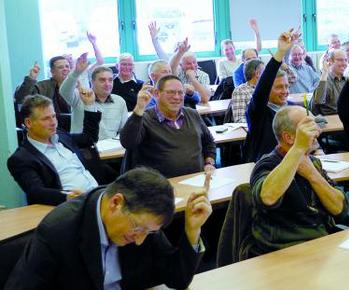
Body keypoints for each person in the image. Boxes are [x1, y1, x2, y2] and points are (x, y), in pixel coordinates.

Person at [5, 167, 212, 290]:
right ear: (116, 203)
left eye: (149, 233)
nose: (141, 240)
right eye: (138, 230)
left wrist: (192, 231)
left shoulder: (143, 222)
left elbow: (177, 278)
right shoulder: (58, 231)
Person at [244, 106, 348, 257]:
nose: (317, 131)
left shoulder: (313, 163)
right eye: (308, 127)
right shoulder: (267, 164)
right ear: (289, 137)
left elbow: (340, 209)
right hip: (285, 249)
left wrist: (312, 175)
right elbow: (266, 198)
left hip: (322, 240)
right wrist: (298, 148)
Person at [7, 95, 100, 206]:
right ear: (28, 123)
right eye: (46, 118)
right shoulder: (21, 158)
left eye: (54, 116)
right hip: (70, 206)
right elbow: (36, 192)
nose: (53, 122)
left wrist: (89, 105)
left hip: (97, 195)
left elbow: (89, 138)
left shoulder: (61, 136)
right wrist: (66, 196)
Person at [119, 75, 216, 178]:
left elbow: (209, 142)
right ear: (157, 94)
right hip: (159, 187)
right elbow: (127, 143)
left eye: (180, 92)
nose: (177, 97)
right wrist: (139, 108)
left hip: (196, 179)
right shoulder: (144, 118)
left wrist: (209, 163)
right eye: (171, 92)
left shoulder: (192, 114)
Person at [242, 28, 301, 162]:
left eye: (286, 86)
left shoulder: (293, 109)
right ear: (267, 89)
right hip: (269, 167)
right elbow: (263, 84)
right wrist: (280, 52)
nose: (285, 91)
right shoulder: (258, 112)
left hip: (296, 162)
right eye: (279, 87)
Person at [61, 54, 128, 139]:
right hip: (85, 148)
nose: (107, 84)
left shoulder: (119, 101)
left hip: (111, 149)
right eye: (102, 80)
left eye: (110, 80)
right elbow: (64, 91)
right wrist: (76, 73)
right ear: (92, 81)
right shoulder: (81, 96)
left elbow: (124, 130)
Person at [14, 56, 74, 130]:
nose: (65, 69)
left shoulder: (76, 86)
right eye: (61, 67)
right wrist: (31, 78)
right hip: (48, 127)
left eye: (67, 66)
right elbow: (21, 98)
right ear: (52, 72)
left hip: (72, 126)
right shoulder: (42, 86)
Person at [313, 48, 349, 116]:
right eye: (340, 60)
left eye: (346, 60)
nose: (344, 63)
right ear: (330, 61)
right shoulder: (324, 80)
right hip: (332, 121)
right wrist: (325, 72)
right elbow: (318, 100)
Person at [169, 39, 211, 106]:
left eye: (194, 62)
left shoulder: (203, 75)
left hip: (198, 109)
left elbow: (205, 98)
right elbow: (171, 67)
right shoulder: (178, 73)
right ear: (181, 65)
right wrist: (180, 53)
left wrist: (193, 79)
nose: (192, 66)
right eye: (188, 63)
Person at [233, 18, 264, 87]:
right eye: (248, 59)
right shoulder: (237, 73)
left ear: (258, 58)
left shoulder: (262, 68)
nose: (252, 61)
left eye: (254, 58)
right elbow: (239, 90)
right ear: (243, 60)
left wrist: (257, 33)